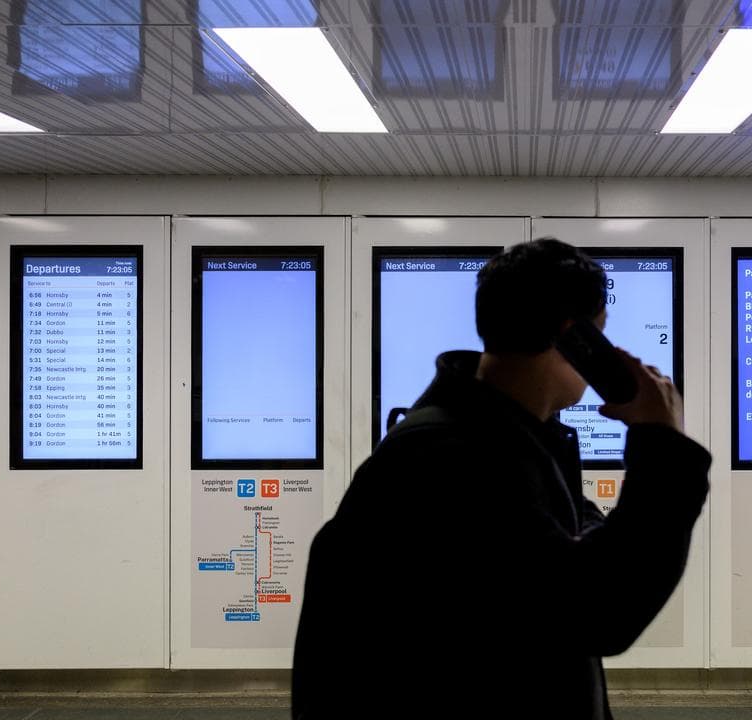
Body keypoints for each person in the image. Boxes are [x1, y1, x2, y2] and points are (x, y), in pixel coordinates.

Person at [291, 238, 710, 720]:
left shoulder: (497, 440)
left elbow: (557, 559)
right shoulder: (450, 458)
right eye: (603, 335)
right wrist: (661, 443)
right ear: (575, 339)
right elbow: (599, 609)